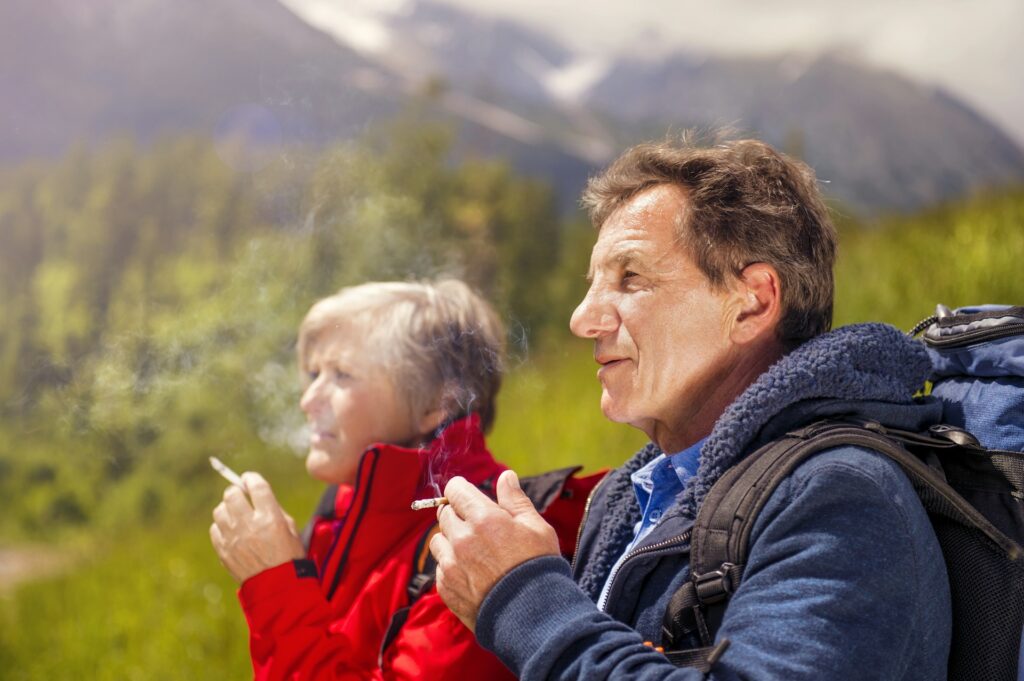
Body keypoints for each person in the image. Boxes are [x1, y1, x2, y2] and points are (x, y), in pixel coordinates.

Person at [429, 138, 952, 680]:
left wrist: (523, 598)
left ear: (752, 302)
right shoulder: (627, 499)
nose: (583, 320)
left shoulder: (840, 495)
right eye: (593, 286)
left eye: (631, 279)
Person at [209, 279, 601, 680]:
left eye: (342, 375)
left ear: (437, 403)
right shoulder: (341, 517)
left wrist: (275, 584)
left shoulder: (478, 540)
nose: (308, 401)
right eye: (314, 373)